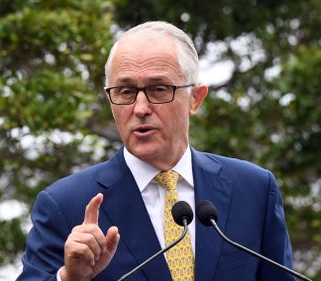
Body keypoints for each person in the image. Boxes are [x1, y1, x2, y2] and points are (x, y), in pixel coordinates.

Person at [17, 21, 295, 281]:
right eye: (125, 92)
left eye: (159, 89)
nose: (140, 109)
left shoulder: (253, 189)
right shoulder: (65, 204)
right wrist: (69, 278)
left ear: (195, 99)